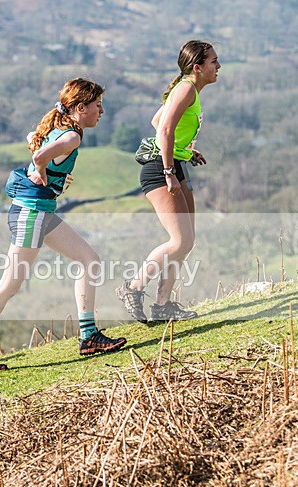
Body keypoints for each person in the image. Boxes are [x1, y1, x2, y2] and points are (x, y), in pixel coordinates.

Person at [0, 78, 127, 373]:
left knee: (89, 260)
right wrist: (41, 171)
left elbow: (33, 139)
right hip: (31, 213)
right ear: (80, 108)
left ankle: (89, 336)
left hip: (40, 211)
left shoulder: (62, 128)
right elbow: (38, 154)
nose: (102, 111)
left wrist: (49, 174)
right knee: (10, 284)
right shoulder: (72, 136)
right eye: (97, 105)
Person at [117, 40, 220, 323]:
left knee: (186, 242)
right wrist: (168, 170)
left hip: (174, 164)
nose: (218, 66)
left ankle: (163, 306)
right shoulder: (186, 88)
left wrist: (184, 151)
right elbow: (163, 128)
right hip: (159, 170)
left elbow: (156, 120)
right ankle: (134, 287)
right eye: (213, 61)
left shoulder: (189, 89)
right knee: (179, 240)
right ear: (197, 67)